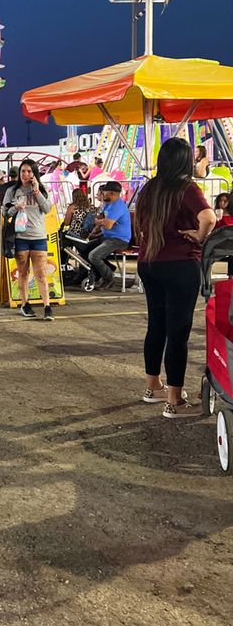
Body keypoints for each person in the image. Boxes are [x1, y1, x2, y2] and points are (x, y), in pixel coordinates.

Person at [136, 137, 216, 417]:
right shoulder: (186, 187)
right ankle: (174, 401)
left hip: (148, 263)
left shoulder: (148, 188)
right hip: (180, 264)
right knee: (177, 332)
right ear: (184, 161)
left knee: (156, 325)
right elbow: (209, 217)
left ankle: (153, 387)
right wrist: (199, 235)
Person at [2, 158, 54, 320]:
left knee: (41, 274)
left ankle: (47, 306)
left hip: (38, 236)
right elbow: (5, 212)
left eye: (29, 171)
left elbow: (46, 209)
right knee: (23, 273)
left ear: (34, 173)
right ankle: (25, 304)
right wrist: (16, 207)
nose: (25, 174)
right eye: (23, 171)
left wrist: (37, 191)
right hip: (20, 237)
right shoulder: (12, 191)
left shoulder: (42, 190)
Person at [86, 182, 131, 288]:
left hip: (118, 239)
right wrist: (101, 222)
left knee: (94, 256)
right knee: (85, 249)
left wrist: (100, 222)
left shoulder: (118, 206)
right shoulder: (108, 205)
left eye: (104, 192)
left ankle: (109, 278)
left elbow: (107, 225)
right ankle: (104, 270)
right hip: (107, 237)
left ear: (111, 193)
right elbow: (100, 219)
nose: (102, 194)